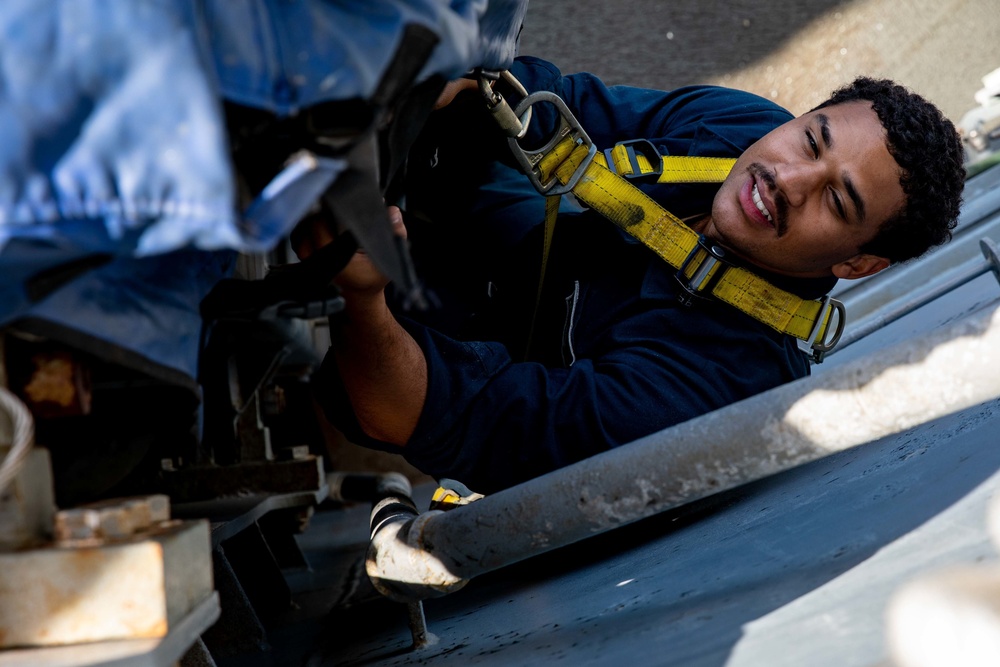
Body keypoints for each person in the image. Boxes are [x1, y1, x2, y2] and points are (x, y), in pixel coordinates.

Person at [305, 56, 965, 494]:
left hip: (438, 349)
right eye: (810, 141)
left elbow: (441, 413)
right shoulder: (744, 130)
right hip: (519, 240)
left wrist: (361, 297)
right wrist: (416, 90)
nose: (785, 180)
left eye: (837, 201)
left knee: (350, 382)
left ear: (858, 263)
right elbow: (551, 106)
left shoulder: (713, 395)